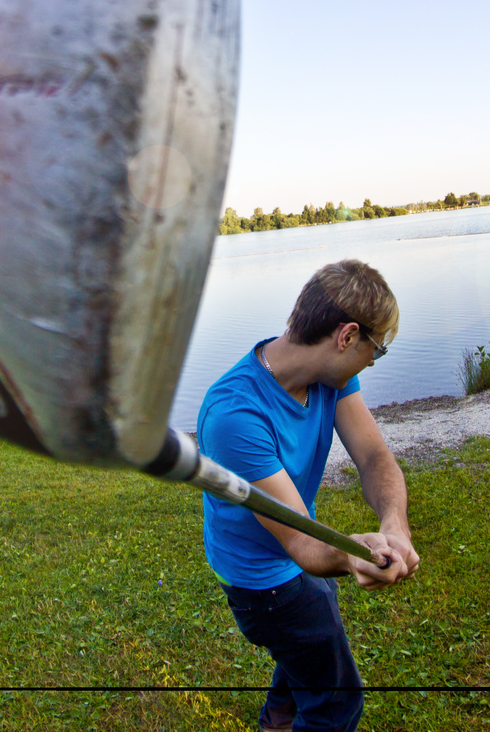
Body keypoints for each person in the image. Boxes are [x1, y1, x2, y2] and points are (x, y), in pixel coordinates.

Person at [197, 259, 421, 732]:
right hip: (263, 583)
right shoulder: (235, 415)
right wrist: (355, 555)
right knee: (337, 703)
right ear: (346, 336)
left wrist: (393, 524)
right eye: (375, 350)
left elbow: (374, 457)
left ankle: (275, 723)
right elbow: (302, 543)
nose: (371, 362)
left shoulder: (330, 375)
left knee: (308, 656)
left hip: (298, 562)